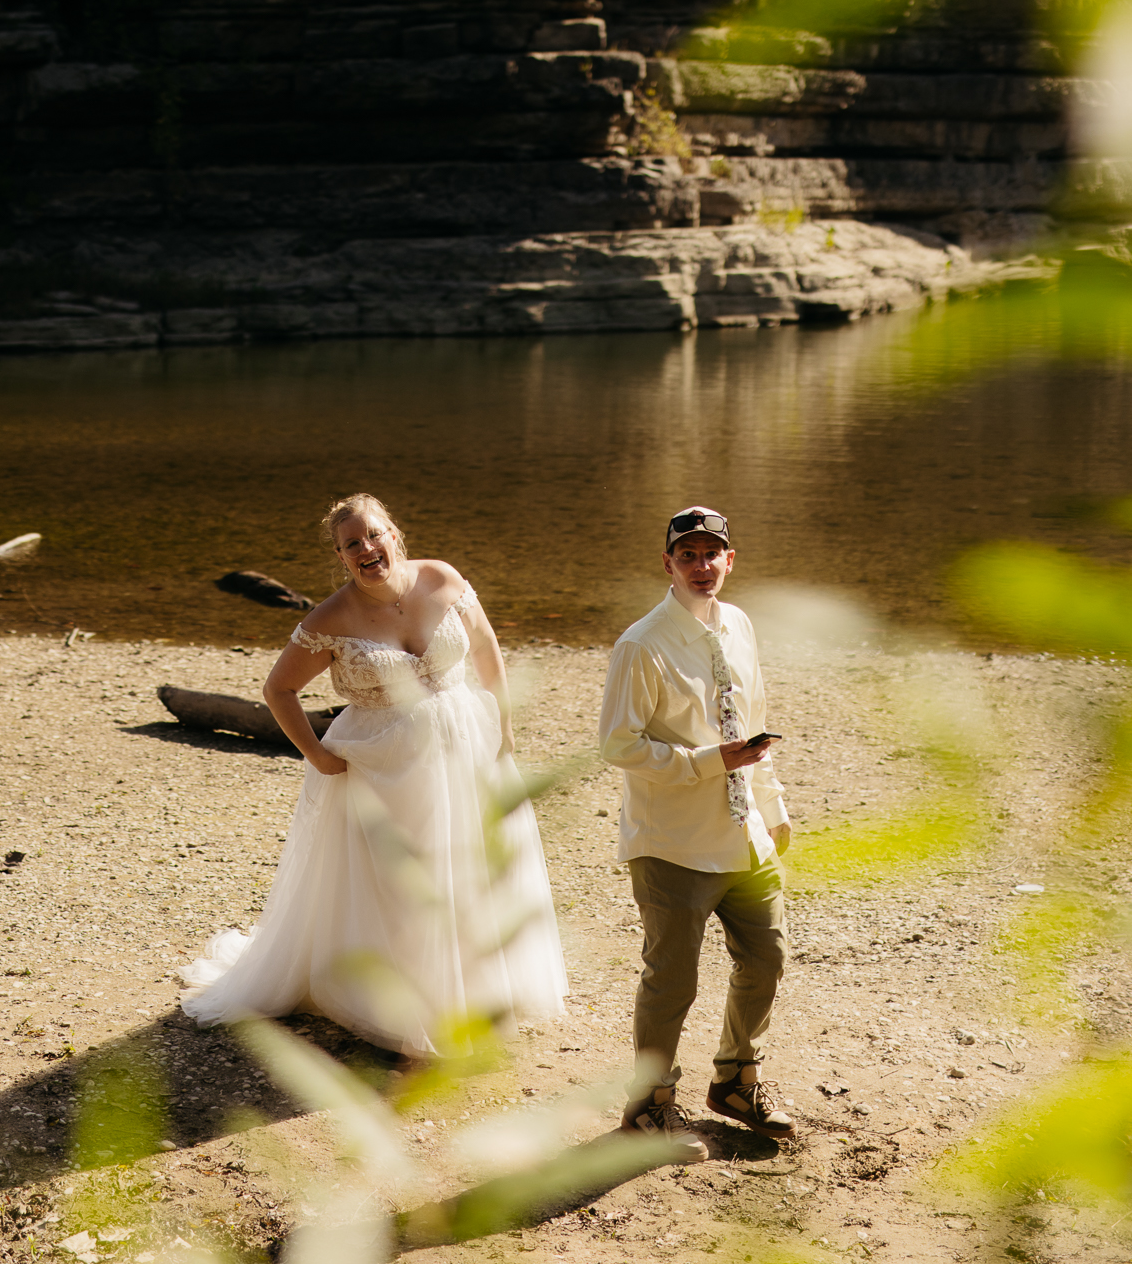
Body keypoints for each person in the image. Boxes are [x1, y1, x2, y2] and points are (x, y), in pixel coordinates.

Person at [178, 494, 568, 1056]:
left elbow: (486, 648)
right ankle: (410, 1003)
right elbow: (278, 690)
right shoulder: (330, 619)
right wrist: (314, 753)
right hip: (385, 765)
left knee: (471, 862)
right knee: (403, 882)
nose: (367, 549)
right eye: (351, 544)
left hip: (465, 740)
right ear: (340, 557)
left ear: (394, 534)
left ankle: (477, 992)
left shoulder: (442, 578)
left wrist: (504, 725)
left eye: (374, 535)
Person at [597, 506, 794, 1157]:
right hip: (672, 843)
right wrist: (708, 762)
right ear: (669, 563)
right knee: (672, 983)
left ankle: (737, 1080)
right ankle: (647, 1109)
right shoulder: (640, 644)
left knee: (766, 956)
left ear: (730, 561)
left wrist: (773, 805)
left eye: (713, 553)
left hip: (742, 835)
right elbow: (618, 745)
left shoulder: (739, 624)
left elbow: (754, 718)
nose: (702, 565)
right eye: (689, 555)